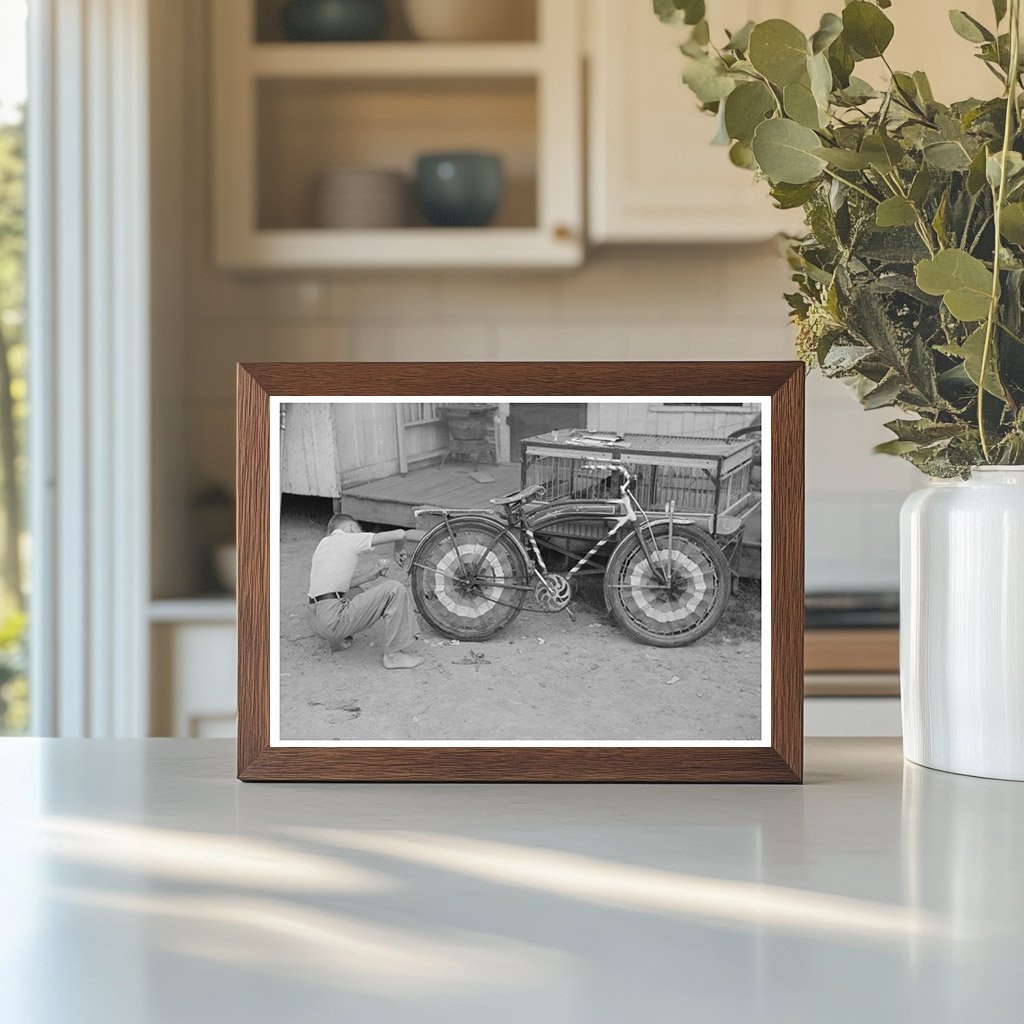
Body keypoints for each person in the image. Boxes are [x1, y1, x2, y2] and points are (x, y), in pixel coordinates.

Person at [307, 513, 424, 670]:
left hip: (315, 620)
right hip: (332, 620)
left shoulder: (323, 544)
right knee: (395, 589)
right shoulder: (350, 538)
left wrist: (371, 575)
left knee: (344, 591)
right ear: (353, 527)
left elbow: (340, 586)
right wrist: (398, 549)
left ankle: (337, 641)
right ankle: (394, 655)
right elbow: (400, 534)